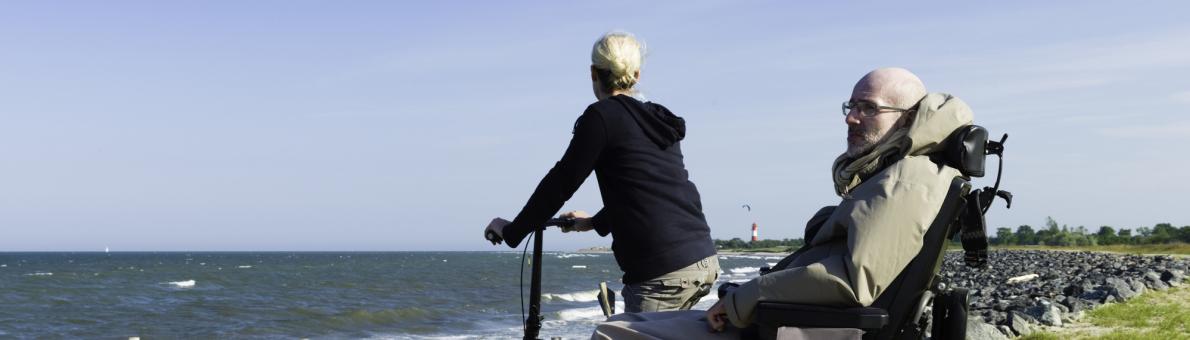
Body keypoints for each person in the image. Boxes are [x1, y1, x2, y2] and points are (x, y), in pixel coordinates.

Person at [591, 67, 976, 339]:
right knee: (634, 324)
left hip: (793, 327)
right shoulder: (904, 176)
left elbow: (855, 281)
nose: (852, 119)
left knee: (614, 331)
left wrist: (748, 296)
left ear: (907, 119)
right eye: (851, 106)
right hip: (788, 319)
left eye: (869, 108)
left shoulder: (905, 180)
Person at [483, 31, 719, 313]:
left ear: (593, 73)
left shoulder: (601, 117)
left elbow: (561, 182)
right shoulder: (657, 119)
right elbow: (650, 192)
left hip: (661, 274)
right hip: (702, 259)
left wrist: (511, 231)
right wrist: (594, 222)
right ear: (637, 74)